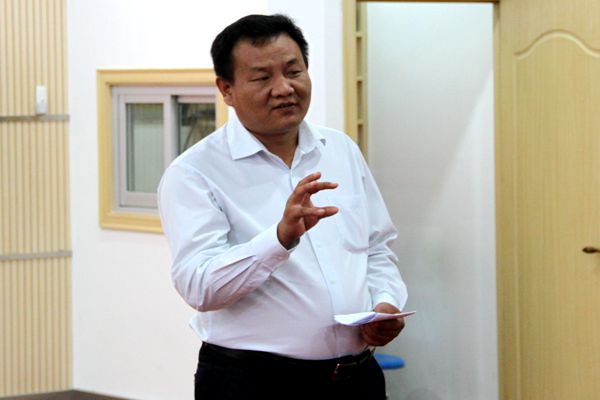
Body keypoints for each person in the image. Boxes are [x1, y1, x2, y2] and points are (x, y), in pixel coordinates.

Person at [158, 14, 408, 400]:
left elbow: (376, 248)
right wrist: (278, 239)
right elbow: (200, 286)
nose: (284, 89)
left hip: (355, 376)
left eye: (294, 71)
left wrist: (385, 303)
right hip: (253, 382)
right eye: (262, 78)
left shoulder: (339, 149)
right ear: (226, 89)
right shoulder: (194, 173)